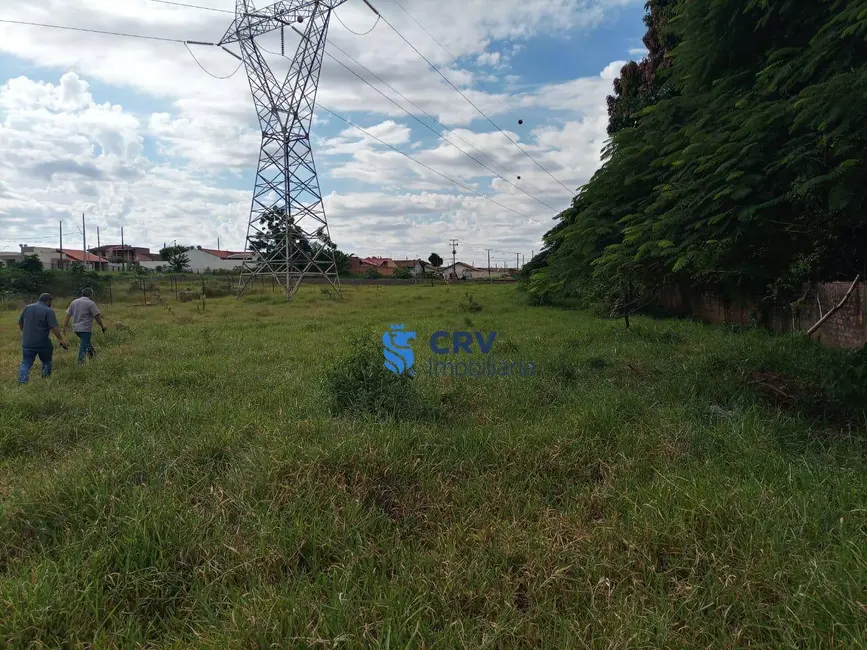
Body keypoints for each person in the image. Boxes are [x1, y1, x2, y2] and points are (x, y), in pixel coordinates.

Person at [18, 293, 68, 384]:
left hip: (27, 342)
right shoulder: (48, 311)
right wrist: (61, 339)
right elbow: (54, 328)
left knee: (26, 363)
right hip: (42, 342)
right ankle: (45, 380)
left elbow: (20, 324)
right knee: (46, 361)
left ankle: (22, 381)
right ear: (48, 301)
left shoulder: (27, 308)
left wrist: (26, 334)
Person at [62, 287, 106, 364]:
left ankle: (94, 358)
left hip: (76, 329)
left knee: (87, 343)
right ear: (91, 295)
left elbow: (68, 316)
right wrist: (102, 326)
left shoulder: (74, 302)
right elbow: (97, 317)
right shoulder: (90, 303)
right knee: (83, 347)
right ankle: (80, 365)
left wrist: (64, 328)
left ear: (82, 294)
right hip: (85, 329)